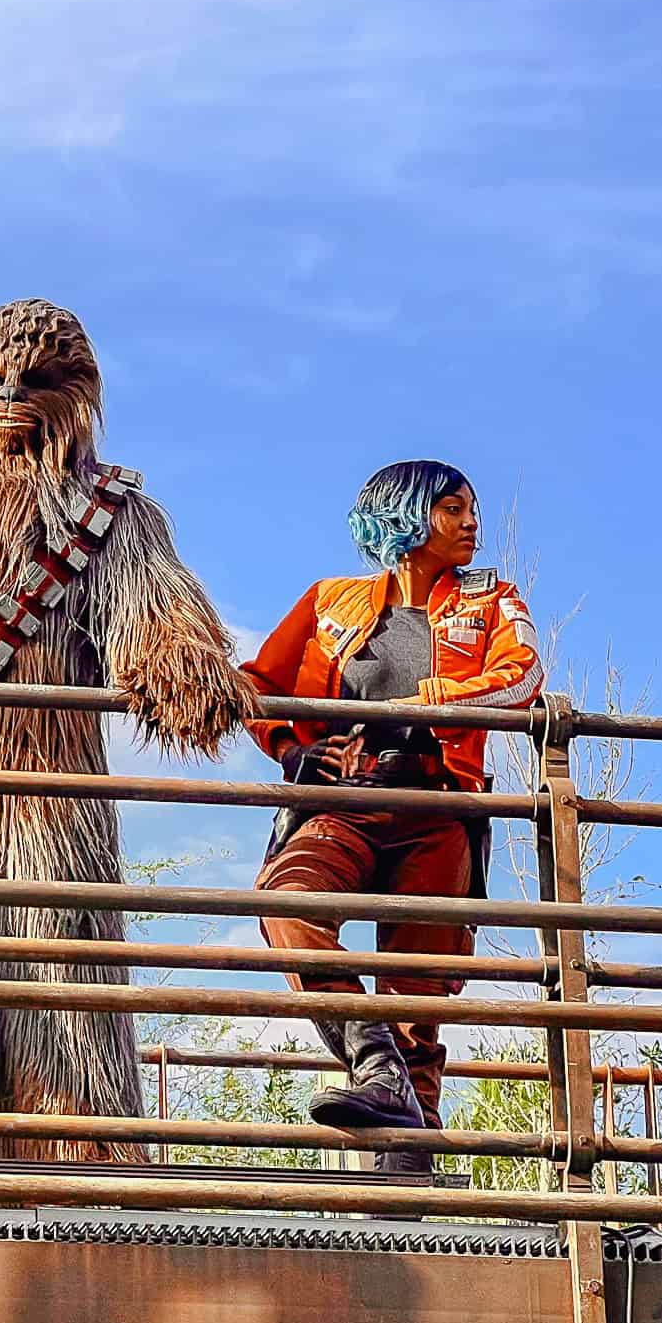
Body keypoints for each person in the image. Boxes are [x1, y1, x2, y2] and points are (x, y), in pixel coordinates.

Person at [241, 459, 541, 1172]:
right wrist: (289, 750)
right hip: (344, 799)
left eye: (472, 509)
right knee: (286, 905)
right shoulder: (331, 601)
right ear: (407, 515)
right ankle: (371, 1059)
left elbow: (524, 679)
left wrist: (429, 701)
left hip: (438, 806)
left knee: (420, 990)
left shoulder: (491, 596)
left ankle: (407, 1178)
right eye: (452, 508)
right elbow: (255, 683)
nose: (472, 522)